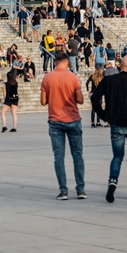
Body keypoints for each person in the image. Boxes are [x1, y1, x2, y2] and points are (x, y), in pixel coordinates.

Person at [91, 55, 127, 202]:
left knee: (117, 157)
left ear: (120, 66)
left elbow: (94, 97)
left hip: (116, 125)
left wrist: (104, 115)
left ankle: (112, 183)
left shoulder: (109, 81)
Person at [41, 56, 86, 200]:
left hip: (55, 121)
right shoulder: (73, 78)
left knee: (59, 157)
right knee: (77, 155)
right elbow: (80, 100)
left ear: (55, 62)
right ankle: (80, 190)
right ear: (67, 62)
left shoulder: (47, 78)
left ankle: (63, 191)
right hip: (73, 119)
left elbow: (43, 101)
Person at [1, 67, 20, 132]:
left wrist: (5, 100)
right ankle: (14, 127)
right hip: (15, 99)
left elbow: (4, 94)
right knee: (14, 114)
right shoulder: (16, 83)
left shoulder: (5, 84)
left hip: (8, 99)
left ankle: (4, 126)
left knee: (3, 113)